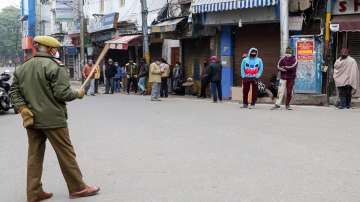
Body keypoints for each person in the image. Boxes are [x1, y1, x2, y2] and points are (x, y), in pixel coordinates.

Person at [9, 36, 100, 202]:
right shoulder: (55, 66)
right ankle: (78, 188)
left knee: (34, 156)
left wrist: (23, 108)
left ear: (38, 48)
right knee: (66, 154)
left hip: (31, 120)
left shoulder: (23, 67)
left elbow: (13, 92)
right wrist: (78, 93)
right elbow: (62, 94)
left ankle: (34, 192)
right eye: (55, 49)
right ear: (51, 50)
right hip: (53, 120)